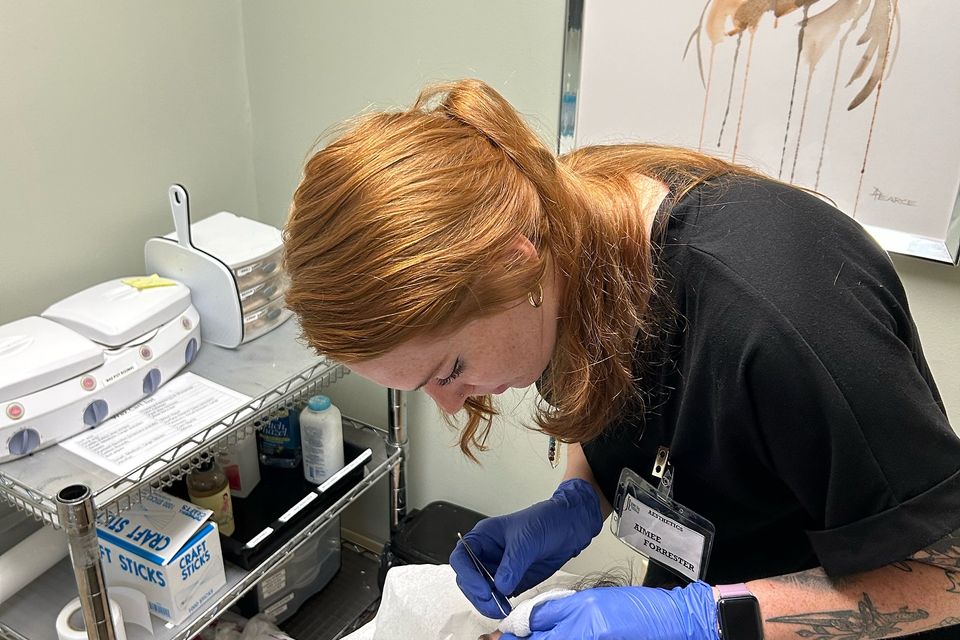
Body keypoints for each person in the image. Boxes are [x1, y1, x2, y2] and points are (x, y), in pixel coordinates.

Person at [283, 78, 960, 639]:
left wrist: (706, 619)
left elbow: (947, 573)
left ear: (516, 266)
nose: (453, 403)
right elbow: (628, 411)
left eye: (451, 370)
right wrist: (583, 496)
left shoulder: (781, 315)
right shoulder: (562, 242)